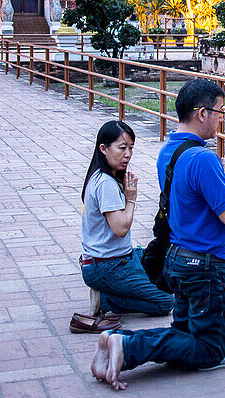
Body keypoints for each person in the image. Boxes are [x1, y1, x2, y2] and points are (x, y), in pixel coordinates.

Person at [91, 79, 225, 390]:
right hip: (205, 267)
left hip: (179, 260)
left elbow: (192, 198)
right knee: (209, 350)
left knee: (185, 335)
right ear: (203, 113)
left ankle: (115, 343)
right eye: (220, 111)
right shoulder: (203, 158)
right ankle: (126, 346)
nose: (222, 119)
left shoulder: (170, 150)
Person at [75, 121, 172, 333]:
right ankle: (107, 298)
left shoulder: (102, 176)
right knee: (165, 302)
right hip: (108, 266)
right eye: (122, 148)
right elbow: (121, 229)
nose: (127, 154)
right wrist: (131, 199)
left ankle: (117, 290)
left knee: (152, 257)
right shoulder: (105, 183)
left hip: (109, 259)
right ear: (103, 148)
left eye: (131, 148)